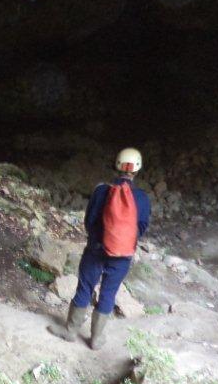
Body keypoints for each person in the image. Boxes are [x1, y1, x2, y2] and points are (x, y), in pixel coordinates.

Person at [49, 148, 151, 350]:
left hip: (96, 250)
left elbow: (90, 221)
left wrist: (98, 239)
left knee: (85, 287)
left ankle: (70, 331)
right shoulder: (142, 198)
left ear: (116, 165)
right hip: (122, 256)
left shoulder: (101, 191)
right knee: (108, 293)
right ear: (137, 170)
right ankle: (96, 339)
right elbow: (141, 227)